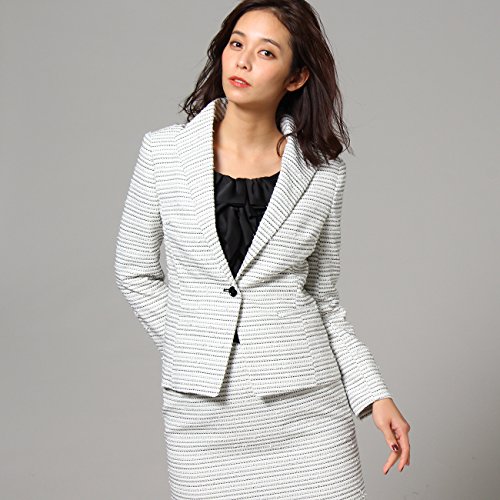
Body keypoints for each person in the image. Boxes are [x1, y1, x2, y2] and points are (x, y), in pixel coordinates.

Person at [114, 1, 411, 497]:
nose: (243, 60)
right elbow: (134, 271)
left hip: (307, 407)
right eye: (236, 43)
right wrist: (195, 340)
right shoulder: (163, 153)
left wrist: (373, 394)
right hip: (202, 415)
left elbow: (323, 300)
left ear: (296, 77)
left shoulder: (323, 173)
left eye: (266, 52)